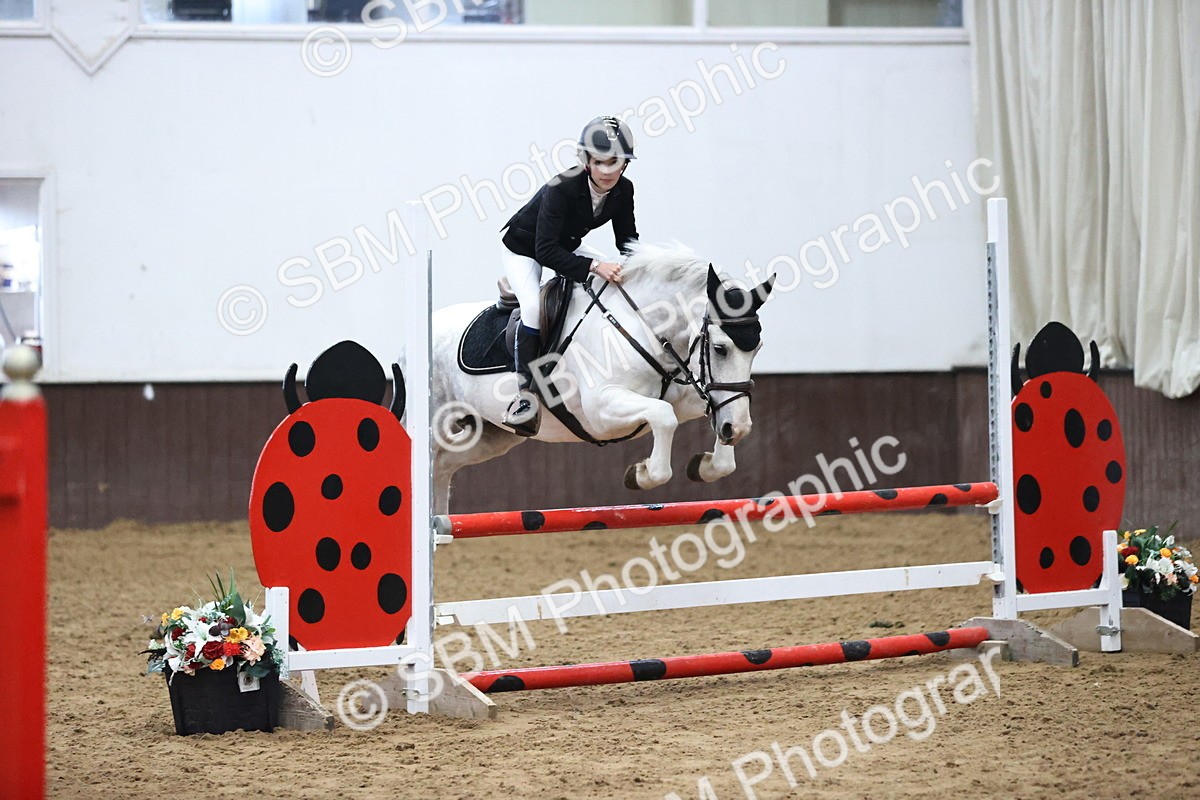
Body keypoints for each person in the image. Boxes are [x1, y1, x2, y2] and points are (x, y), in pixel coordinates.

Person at [498, 115, 640, 436]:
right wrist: (592, 267)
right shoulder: (561, 188)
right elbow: (545, 251)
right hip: (524, 248)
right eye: (599, 162)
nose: (607, 171)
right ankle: (525, 397)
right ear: (586, 161)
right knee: (533, 308)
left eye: (614, 162)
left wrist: (642, 267)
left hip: (564, 244)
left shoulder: (624, 190)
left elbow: (627, 241)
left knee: (612, 277)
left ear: (625, 164)